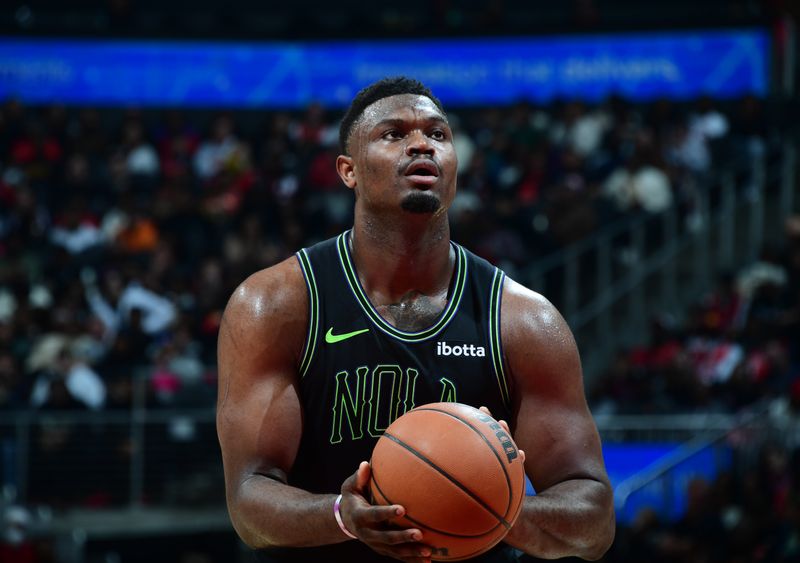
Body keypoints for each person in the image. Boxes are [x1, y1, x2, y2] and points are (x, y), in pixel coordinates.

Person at [216, 77, 615, 563]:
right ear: (349, 171)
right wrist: (343, 516)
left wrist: (492, 507)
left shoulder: (523, 320)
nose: (422, 143)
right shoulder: (276, 304)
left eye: (438, 134)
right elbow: (248, 501)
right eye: (394, 134)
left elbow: (594, 520)